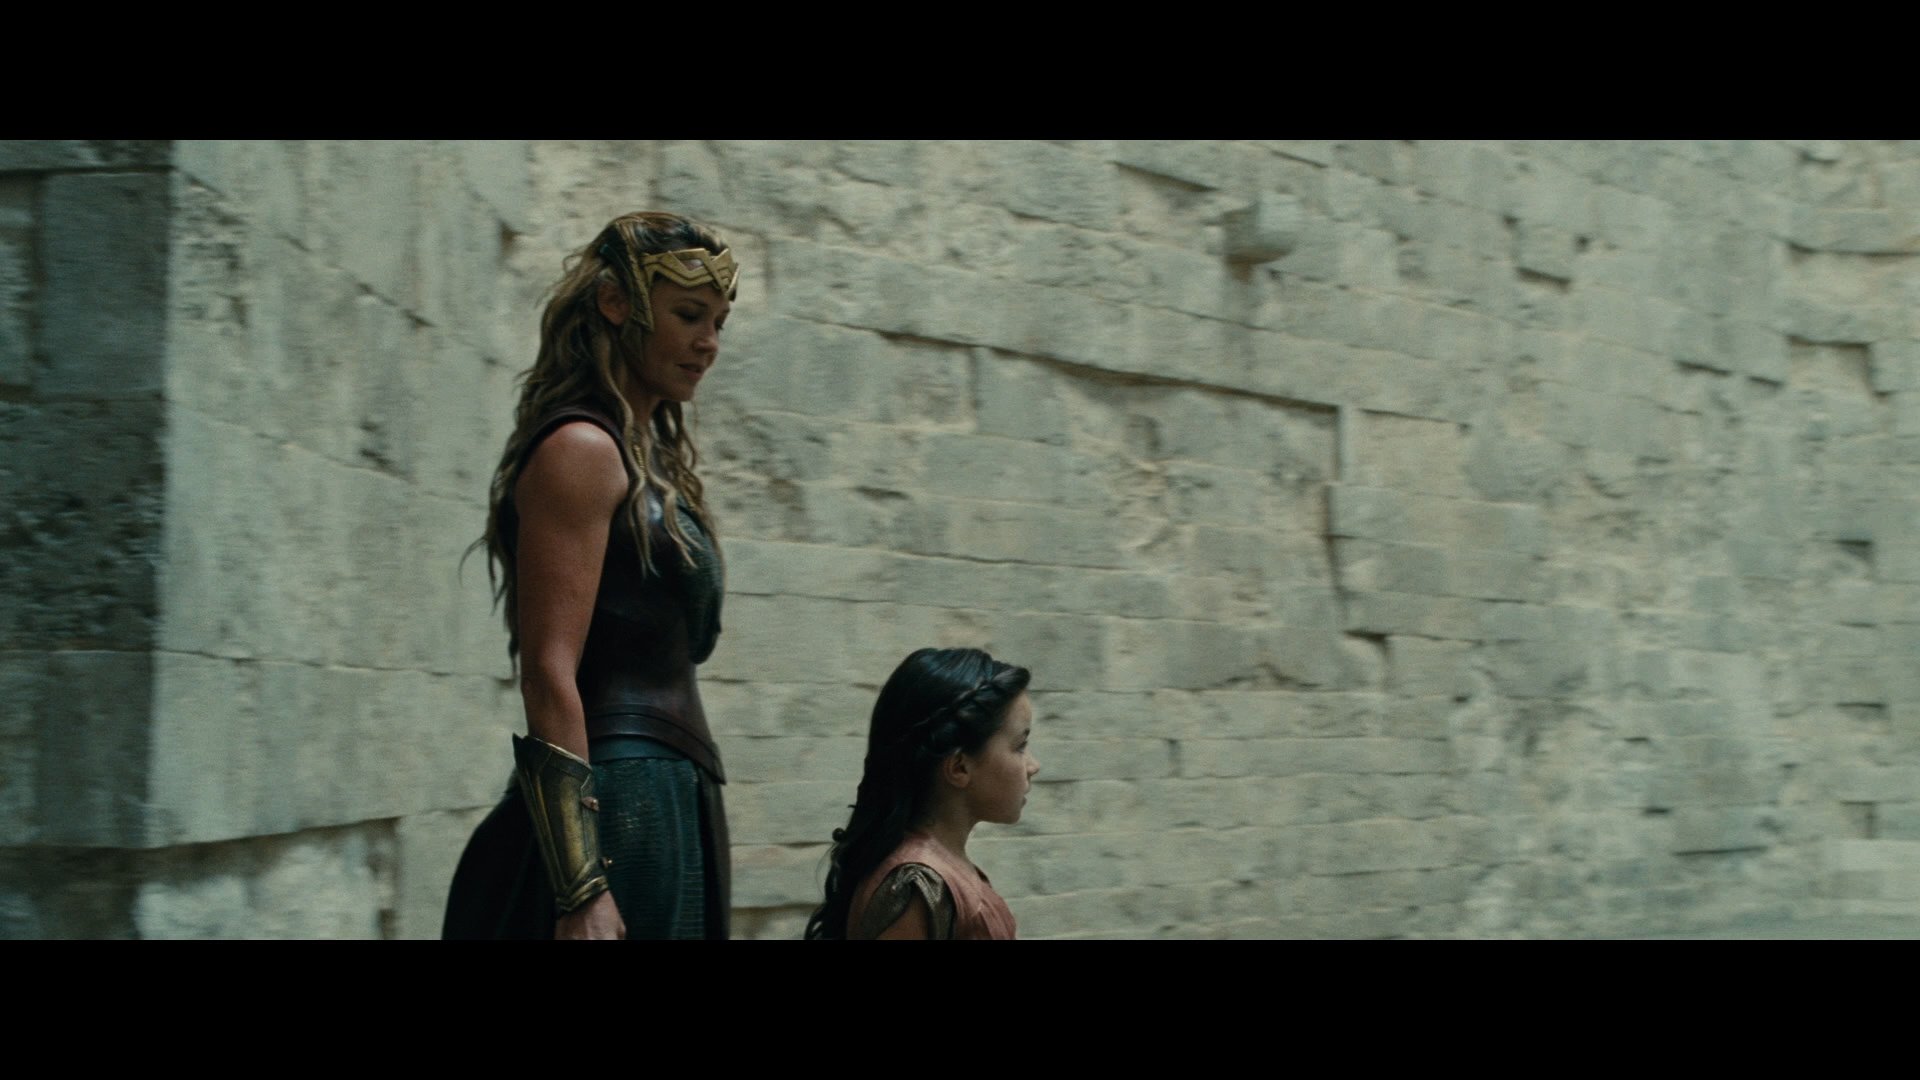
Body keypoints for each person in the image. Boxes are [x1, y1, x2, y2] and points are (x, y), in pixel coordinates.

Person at [443, 211, 738, 940]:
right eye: (689, 315)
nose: (709, 342)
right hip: (621, 798)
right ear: (615, 303)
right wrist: (580, 884)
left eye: (719, 322)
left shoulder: (643, 458)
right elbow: (549, 670)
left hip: (670, 790)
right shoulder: (582, 449)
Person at [806, 647, 1039, 940]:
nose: (1033, 766)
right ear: (959, 767)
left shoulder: (942, 869)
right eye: (1020, 746)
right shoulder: (915, 887)